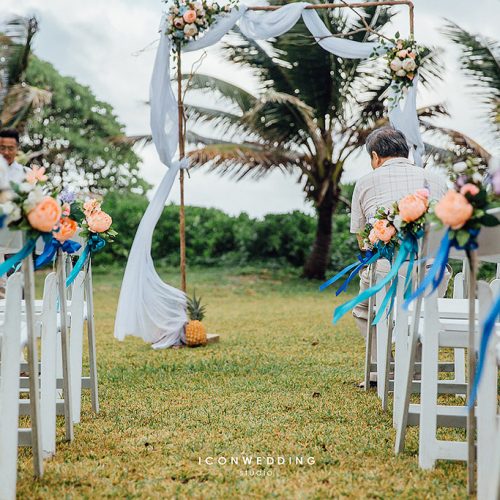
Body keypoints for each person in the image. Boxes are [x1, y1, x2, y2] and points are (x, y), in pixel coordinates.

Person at [349, 126, 449, 387]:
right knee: (423, 312)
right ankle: (415, 371)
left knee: (363, 309)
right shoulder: (437, 180)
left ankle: (382, 369)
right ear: (406, 152)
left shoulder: (365, 182)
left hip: (386, 272)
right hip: (434, 273)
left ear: (375, 156)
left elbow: (361, 238)